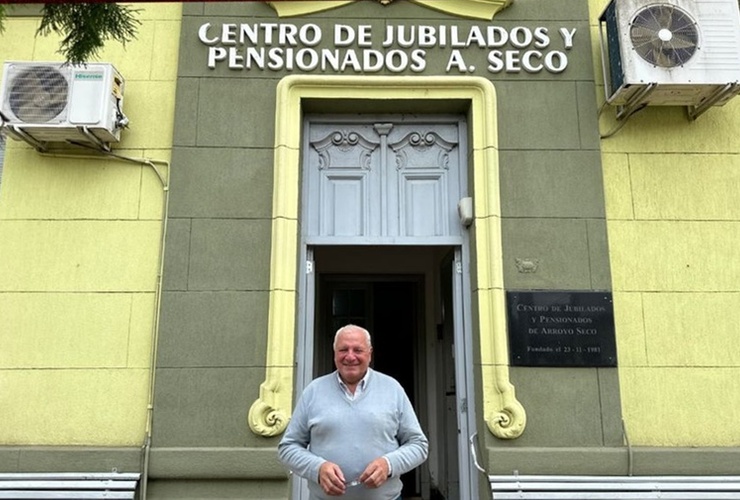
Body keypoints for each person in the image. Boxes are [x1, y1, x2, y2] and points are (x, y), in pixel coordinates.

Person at [278, 324, 429, 499]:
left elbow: (419, 445)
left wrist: (388, 465)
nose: (350, 356)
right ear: (334, 353)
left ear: (370, 353)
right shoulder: (313, 391)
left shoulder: (392, 389)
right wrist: (317, 469)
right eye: (343, 350)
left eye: (358, 350)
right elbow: (288, 448)